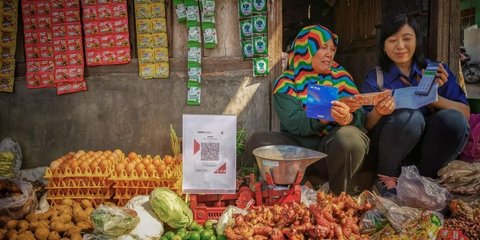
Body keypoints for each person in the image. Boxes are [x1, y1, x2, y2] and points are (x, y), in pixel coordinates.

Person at [240, 25, 369, 195]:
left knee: (350, 138)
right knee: (259, 141)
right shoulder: (286, 83)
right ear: (306, 49)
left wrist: (348, 118)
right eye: (323, 47)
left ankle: (340, 197)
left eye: (332, 48)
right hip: (297, 154)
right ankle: (302, 184)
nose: (329, 54)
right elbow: (294, 122)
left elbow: (361, 115)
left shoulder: (341, 77)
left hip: (331, 152)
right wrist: (322, 118)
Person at [360, 14, 470, 197]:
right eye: (392, 40)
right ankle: (385, 177)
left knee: (453, 120)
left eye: (407, 38)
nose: (400, 46)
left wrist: (432, 98)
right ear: (384, 47)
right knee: (410, 117)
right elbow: (366, 125)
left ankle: (424, 179)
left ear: (417, 41)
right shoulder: (376, 78)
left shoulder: (435, 72)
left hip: (427, 154)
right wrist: (379, 111)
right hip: (392, 152)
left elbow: (465, 113)